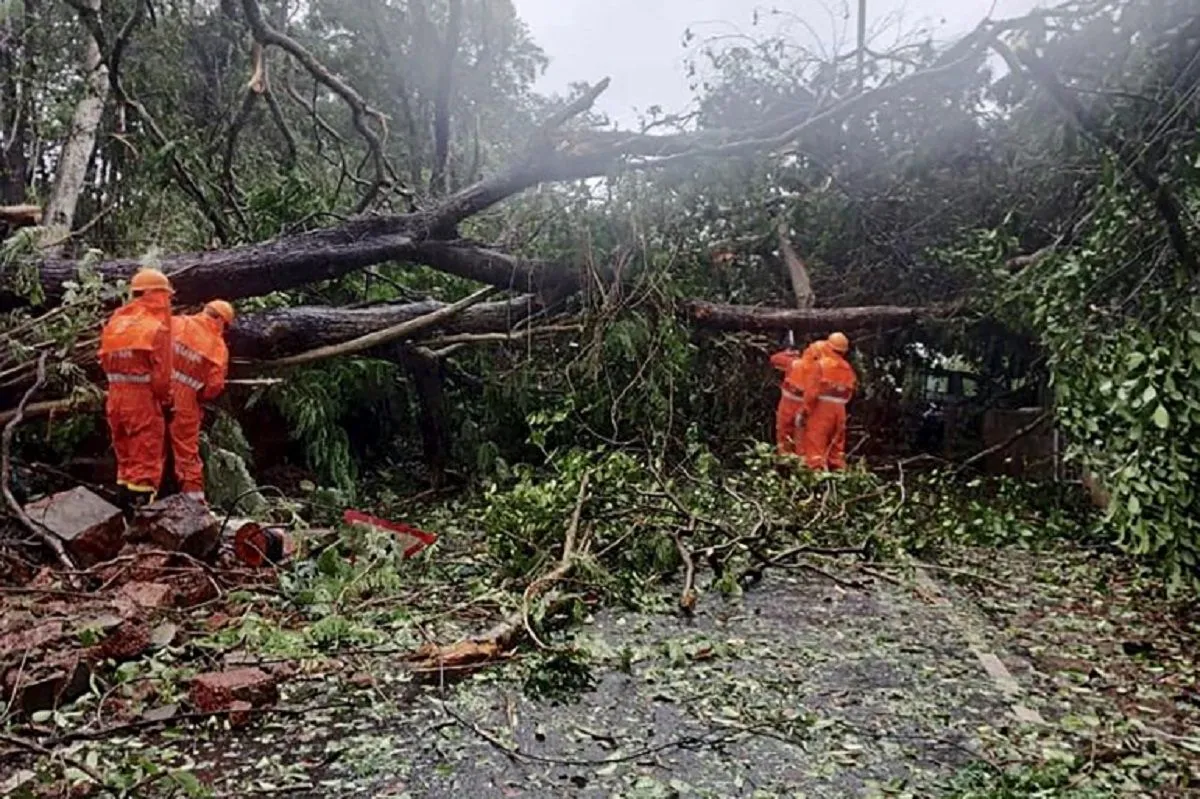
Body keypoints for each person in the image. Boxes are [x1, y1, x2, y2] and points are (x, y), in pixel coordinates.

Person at [99, 268, 174, 511]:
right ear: (159, 295)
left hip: (115, 398)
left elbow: (104, 361)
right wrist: (166, 401)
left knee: (126, 457)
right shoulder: (156, 328)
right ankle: (141, 520)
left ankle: (121, 512)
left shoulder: (116, 322)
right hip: (142, 401)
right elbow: (162, 379)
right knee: (146, 459)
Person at [168, 300, 233, 503]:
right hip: (184, 401)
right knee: (187, 455)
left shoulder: (177, 322)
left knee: (146, 447)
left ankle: (138, 503)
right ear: (222, 321)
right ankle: (194, 506)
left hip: (153, 391)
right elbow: (214, 387)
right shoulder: (218, 348)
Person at [799, 331, 857, 470]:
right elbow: (850, 391)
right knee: (836, 449)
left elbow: (812, 392)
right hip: (840, 410)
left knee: (815, 445)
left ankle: (816, 479)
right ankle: (839, 477)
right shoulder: (847, 368)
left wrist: (805, 410)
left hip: (821, 410)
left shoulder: (820, 365)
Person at [770, 335, 830, 456]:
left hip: (789, 408)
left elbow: (774, 359)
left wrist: (789, 353)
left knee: (785, 438)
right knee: (800, 441)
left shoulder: (794, 363)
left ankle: (786, 465)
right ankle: (799, 468)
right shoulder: (822, 373)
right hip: (803, 409)